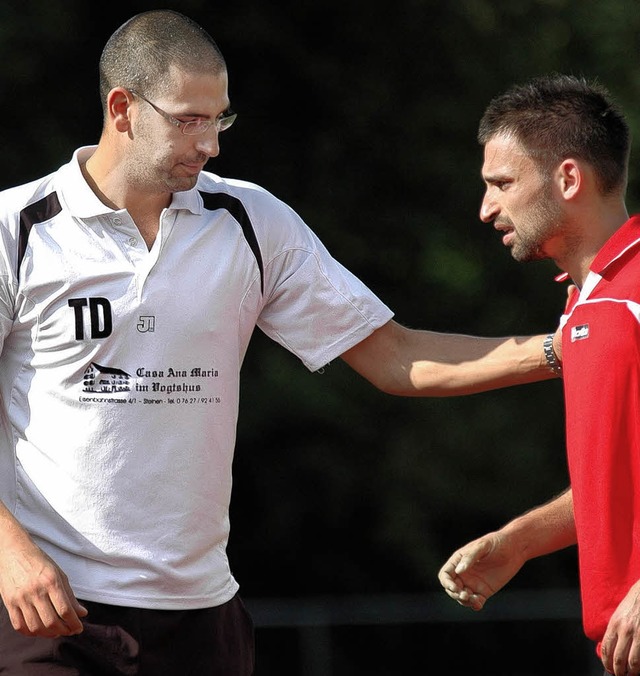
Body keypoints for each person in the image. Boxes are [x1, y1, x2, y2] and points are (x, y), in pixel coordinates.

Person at [0, 10, 560, 675]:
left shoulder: (251, 221)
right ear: (122, 109)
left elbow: (397, 358)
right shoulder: (18, 228)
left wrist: (569, 348)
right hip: (47, 612)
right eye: (188, 119)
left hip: (202, 617)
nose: (210, 143)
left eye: (220, 118)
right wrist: (9, 552)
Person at [437, 73, 637, 676]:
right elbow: (619, 480)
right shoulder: (586, 304)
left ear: (569, 178)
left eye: (501, 183)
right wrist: (520, 541)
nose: (486, 207)